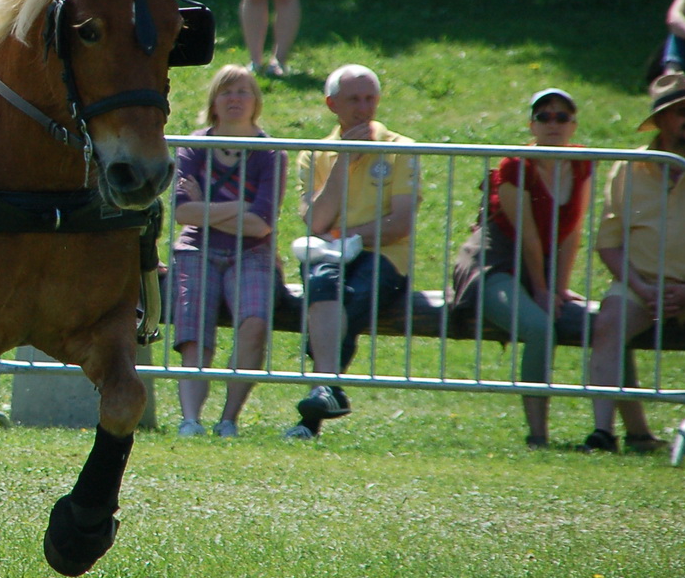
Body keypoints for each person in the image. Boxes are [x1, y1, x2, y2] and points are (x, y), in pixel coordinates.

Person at [449, 89, 592, 448]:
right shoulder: (517, 165)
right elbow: (528, 237)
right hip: (493, 264)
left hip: (536, 269)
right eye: (544, 117)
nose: (553, 124)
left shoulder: (583, 161)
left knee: (601, 321)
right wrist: (543, 292)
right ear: (531, 124)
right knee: (541, 327)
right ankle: (538, 436)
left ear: (574, 125)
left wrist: (559, 287)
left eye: (562, 117)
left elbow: (572, 230)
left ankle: (628, 432)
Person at [287, 64, 419, 440]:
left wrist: (345, 234)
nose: (364, 108)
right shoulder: (316, 154)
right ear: (332, 104)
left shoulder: (401, 149)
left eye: (370, 99)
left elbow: (400, 224)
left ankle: (319, 400)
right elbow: (315, 221)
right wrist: (343, 159)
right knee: (322, 284)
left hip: (385, 255)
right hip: (328, 253)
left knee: (344, 304)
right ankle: (328, 393)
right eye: (353, 100)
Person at [169, 65, 285, 438]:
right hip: (195, 248)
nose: (235, 99)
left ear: (256, 102)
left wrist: (207, 209)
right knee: (193, 330)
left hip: (252, 252)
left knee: (254, 325)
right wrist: (239, 207)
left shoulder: (269, 152)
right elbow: (181, 213)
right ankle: (190, 419)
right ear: (214, 102)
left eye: (243, 92)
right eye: (226, 92)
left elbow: (261, 224)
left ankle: (228, 420)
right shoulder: (194, 145)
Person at [580, 73, 685, 454]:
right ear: (659, 121)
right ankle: (603, 433)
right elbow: (609, 245)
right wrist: (642, 289)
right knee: (609, 321)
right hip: (640, 284)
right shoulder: (628, 169)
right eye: (679, 112)